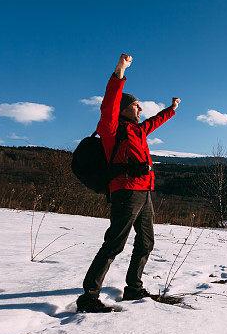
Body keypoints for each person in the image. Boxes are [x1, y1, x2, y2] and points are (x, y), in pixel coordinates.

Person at [76, 53, 180, 313]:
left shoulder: (138, 130)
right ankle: (89, 296)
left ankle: (133, 288)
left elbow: (154, 121)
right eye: (136, 105)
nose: (140, 109)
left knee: (146, 242)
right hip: (125, 191)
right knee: (115, 243)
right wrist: (119, 72)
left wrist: (171, 110)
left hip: (144, 192)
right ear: (124, 108)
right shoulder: (111, 127)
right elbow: (109, 102)